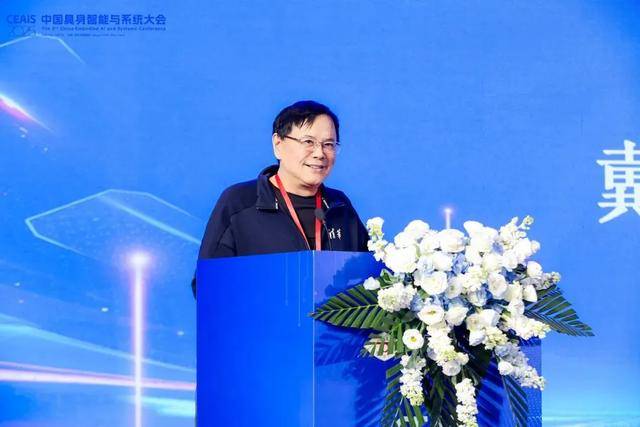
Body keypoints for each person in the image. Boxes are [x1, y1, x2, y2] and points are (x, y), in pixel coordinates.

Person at [192, 100, 369, 296]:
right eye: (308, 142)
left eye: (328, 144)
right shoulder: (239, 202)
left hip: (332, 317)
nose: (319, 153)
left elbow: (369, 281)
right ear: (278, 144)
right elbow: (207, 286)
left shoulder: (339, 206)